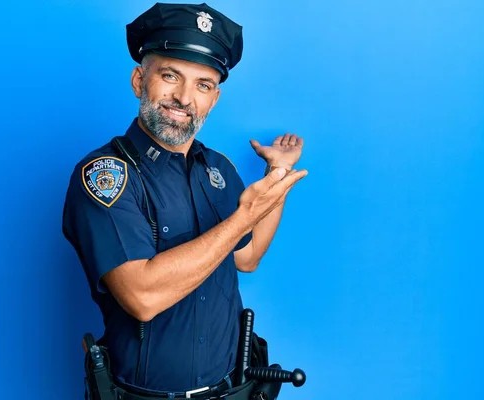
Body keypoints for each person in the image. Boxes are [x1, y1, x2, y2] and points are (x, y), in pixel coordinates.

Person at [62, 2, 307, 398]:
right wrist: (242, 217)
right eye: (170, 76)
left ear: (214, 100)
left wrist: (276, 177)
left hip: (233, 390)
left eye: (203, 85)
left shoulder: (218, 169)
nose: (184, 97)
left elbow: (247, 257)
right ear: (139, 80)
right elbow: (142, 296)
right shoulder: (107, 176)